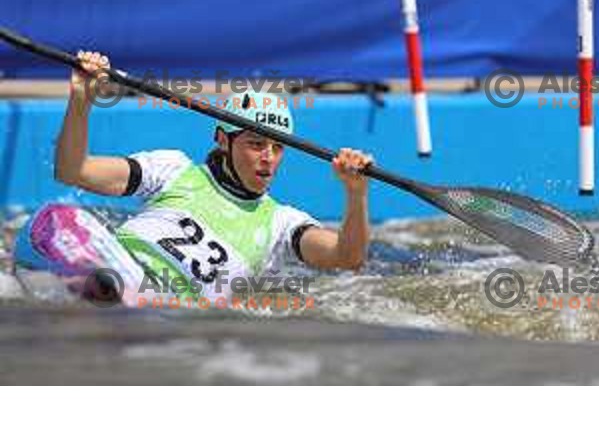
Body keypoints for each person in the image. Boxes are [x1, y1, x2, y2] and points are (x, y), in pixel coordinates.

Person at [15, 52, 373, 307]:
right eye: (256, 144)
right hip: (109, 268)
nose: (268, 157)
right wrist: (81, 100)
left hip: (171, 308)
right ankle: (108, 288)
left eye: (278, 147)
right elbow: (74, 171)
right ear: (223, 139)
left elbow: (348, 257)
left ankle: (123, 298)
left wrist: (355, 194)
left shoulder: (282, 223)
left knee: (138, 296)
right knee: (56, 216)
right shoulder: (173, 168)